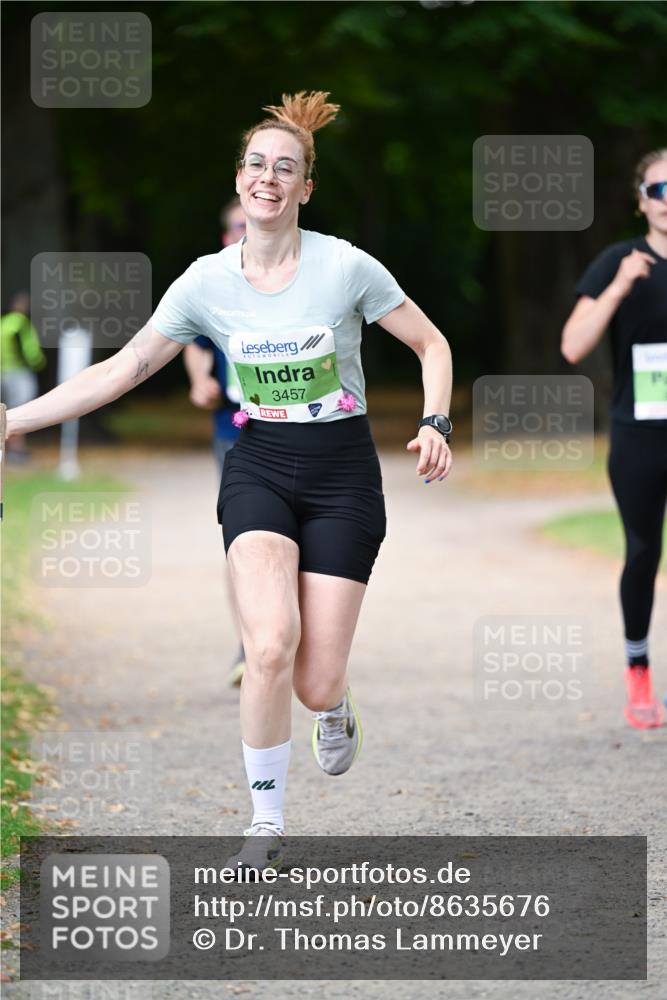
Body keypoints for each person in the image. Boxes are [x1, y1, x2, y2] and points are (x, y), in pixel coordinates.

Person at [5, 91, 453, 869]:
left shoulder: (345, 266)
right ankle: (265, 823)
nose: (267, 178)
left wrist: (434, 420)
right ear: (239, 177)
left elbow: (432, 343)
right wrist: (14, 421)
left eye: (285, 168)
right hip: (259, 465)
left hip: (343, 474)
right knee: (269, 644)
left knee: (314, 683)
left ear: (305, 186)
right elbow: (121, 370)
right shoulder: (205, 282)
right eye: (256, 164)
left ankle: (335, 704)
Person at [561, 148, 667, 730]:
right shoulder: (619, 262)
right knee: (644, 551)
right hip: (640, 435)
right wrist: (620, 287)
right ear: (641, 200)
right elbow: (573, 345)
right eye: (658, 189)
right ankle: (638, 671)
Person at [183, 196, 247, 686]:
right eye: (238, 227)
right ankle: (249, 645)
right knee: (241, 543)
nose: (247, 232)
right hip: (233, 432)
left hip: (299, 431)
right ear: (226, 237)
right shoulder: (215, 288)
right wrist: (199, 379)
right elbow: (194, 342)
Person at [0, 291, 47, 463]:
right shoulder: (20, 323)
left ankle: (12, 449)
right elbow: (27, 349)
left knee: (10, 409)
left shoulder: (4, 323)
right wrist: (38, 363)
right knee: (21, 409)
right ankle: (17, 450)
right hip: (19, 372)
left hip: (5, 372)